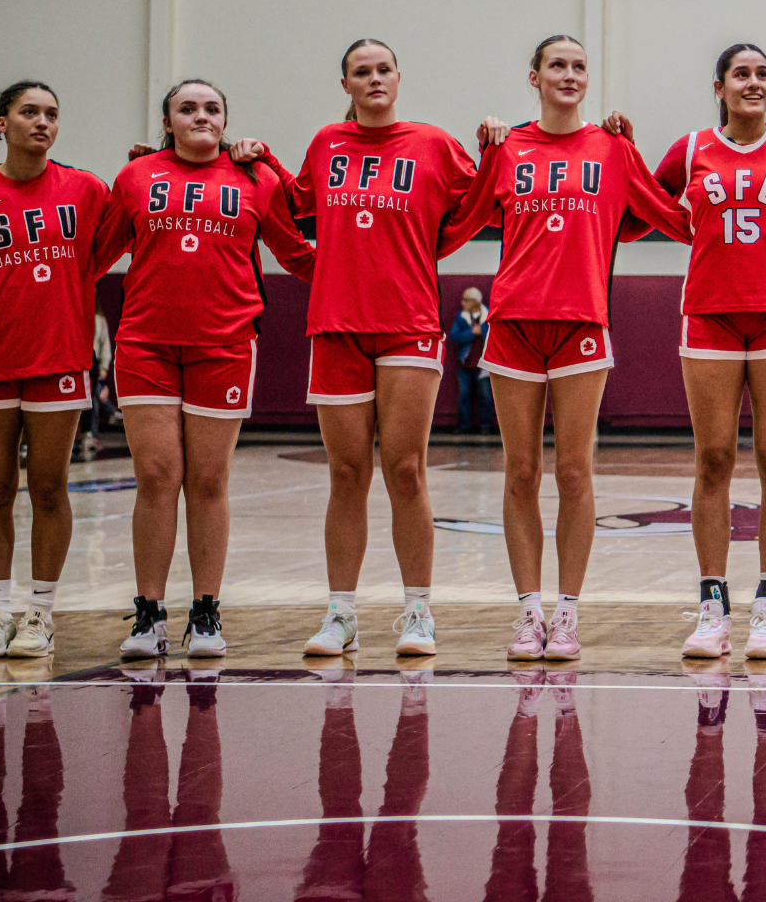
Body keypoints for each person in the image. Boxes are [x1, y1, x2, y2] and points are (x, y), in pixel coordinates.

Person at [238, 39, 503, 657]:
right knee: (346, 473)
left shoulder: (434, 144)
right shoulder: (327, 143)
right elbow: (294, 202)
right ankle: (341, 613)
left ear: (399, 78)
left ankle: (418, 612)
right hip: (335, 324)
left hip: (408, 320)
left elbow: (481, 204)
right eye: (362, 71)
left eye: (384, 69)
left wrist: (495, 148)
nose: (375, 78)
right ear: (346, 84)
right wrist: (258, 158)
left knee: (405, 470)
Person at [474, 34, 688, 662]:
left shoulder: (612, 147)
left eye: (579, 66)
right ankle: (528, 612)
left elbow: (669, 215)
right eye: (557, 66)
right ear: (533, 78)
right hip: (513, 321)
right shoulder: (508, 147)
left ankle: (567, 613)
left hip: (582, 322)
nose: (569, 75)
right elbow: (457, 216)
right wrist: (483, 146)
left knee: (574, 470)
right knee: (520, 472)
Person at [97, 79, 316, 662]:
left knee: (210, 481)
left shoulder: (257, 180)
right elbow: (91, 257)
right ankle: (148, 614)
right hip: (145, 343)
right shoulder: (135, 178)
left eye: (211, 108)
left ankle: (206, 611)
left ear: (226, 121)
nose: (201, 115)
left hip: (223, 344)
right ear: (166, 122)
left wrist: (371, 269)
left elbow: (296, 254)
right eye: (186, 108)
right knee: (157, 476)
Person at [646, 44, 766, 660]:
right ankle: (712, 608)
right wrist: (621, 154)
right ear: (720, 87)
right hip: (709, 316)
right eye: (741, 75)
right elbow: (643, 208)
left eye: (762, 75)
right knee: (714, 460)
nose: (752, 83)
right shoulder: (690, 149)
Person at [0, 81, 110, 659]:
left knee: (48, 487)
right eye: (29, 112)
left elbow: (130, 226)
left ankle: (40, 614)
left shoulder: (86, 190)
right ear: (1, 124)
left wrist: (151, 161)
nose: (42, 122)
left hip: (58, 360)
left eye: (52, 114)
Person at [448, 287, 491, 434]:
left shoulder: (489, 316)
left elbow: (494, 335)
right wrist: (472, 332)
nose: (462, 302)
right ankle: (464, 425)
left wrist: (482, 330)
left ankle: (485, 425)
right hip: (465, 363)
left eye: (466, 299)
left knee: (485, 395)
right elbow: (454, 336)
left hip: (484, 364)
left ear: (475, 301)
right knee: (464, 395)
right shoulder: (461, 318)